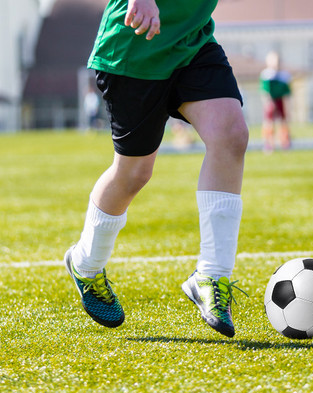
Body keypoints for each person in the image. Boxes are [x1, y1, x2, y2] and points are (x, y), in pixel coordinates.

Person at [64, 0, 249, 337]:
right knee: (134, 174)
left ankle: (212, 274)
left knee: (231, 135)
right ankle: (86, 264)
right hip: (134, 48)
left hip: (192, 44)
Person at [260, 51, 292, 153]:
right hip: (271, 100)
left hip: (280, 100)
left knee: (283, 122)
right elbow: (265, 90)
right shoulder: (267, 75)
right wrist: (268, 101)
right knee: (269, 122)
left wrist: (288, 105)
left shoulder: (284, 75)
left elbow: (287, 92)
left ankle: (285, 142)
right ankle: (269, 143)